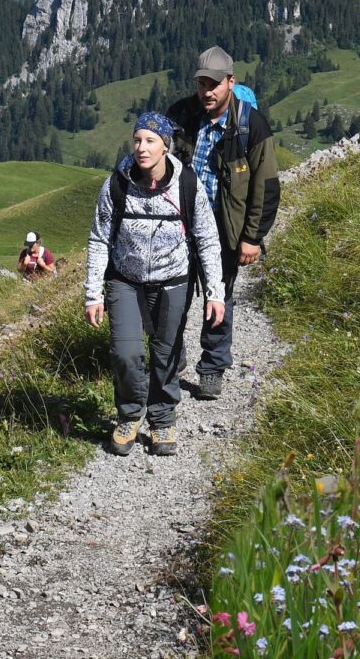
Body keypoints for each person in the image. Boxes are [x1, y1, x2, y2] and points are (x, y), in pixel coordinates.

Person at [84, 111, 223, 456]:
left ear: (165, 146)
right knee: (126, 352)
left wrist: (214, 292)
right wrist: (93, 293)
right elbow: (100, 239)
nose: (141, 148)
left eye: (150, 141)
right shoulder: (116, 184)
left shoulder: (188, 185)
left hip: (173, 279)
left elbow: (207, 239)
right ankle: (130, 415)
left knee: (166, 352)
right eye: (137, 140)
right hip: (124, 279)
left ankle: (162, 420)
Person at [168, 45, 280, 401]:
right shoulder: (182, 115)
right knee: (172, 293)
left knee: (220, 296)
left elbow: (267, 186)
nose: (208, 91)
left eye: (214, 84)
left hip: (223, 226)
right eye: (202, 84)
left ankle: (213, 366)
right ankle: (171, 356)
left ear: (230, 82)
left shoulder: (251, 125)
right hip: (180, 224)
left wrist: (253, 237)